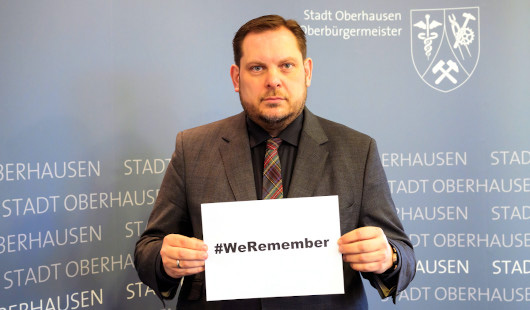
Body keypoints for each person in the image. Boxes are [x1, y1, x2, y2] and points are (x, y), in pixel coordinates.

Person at [135, 14, 415, 309]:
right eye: (257, 68)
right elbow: (148, 250)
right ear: (236, 77)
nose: (273, 80)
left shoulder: (358, 150)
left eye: (286, 65)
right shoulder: (192, 149)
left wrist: (389, 258)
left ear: (306, 72)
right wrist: (164, 259)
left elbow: (403, 256)